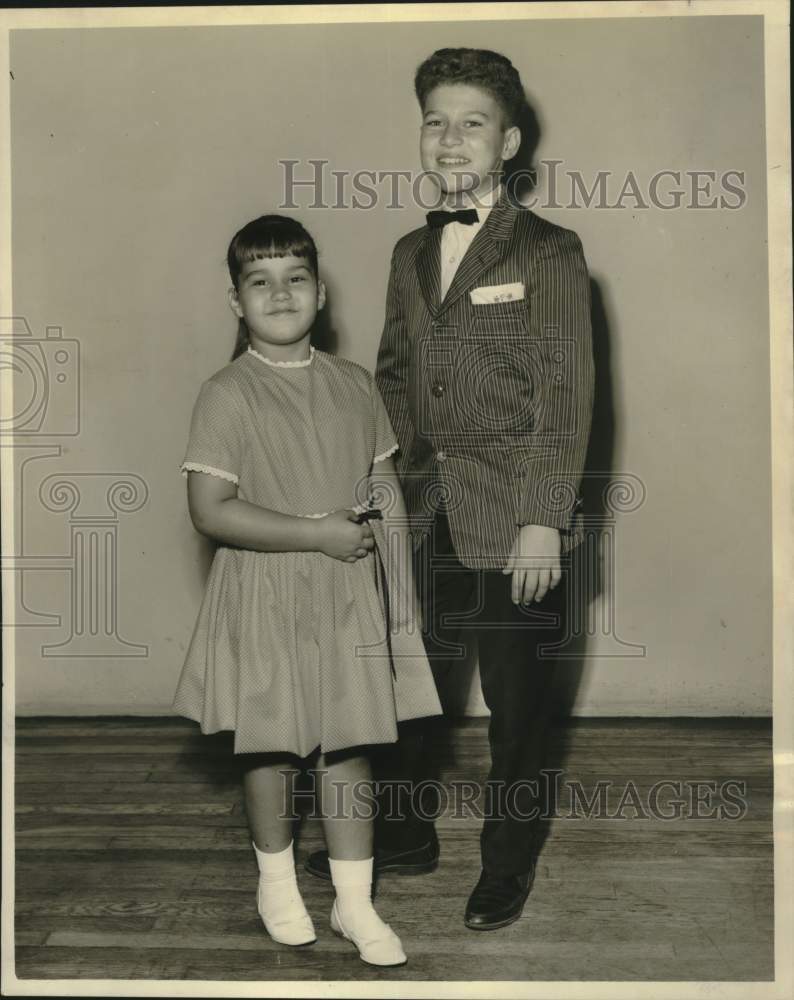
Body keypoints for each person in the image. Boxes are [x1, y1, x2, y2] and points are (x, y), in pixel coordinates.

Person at [306, 47, 595, 932]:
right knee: (409, 692)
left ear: (509, 141)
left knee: (517, 714)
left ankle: (505, 867)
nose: (450, 137)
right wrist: (367, 483)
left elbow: (567, 390)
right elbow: (394, 380)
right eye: (436, 119)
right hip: (422, 515)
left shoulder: (550, 250)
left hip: (515, 524)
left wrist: (544, 519)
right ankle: (403, 837)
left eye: (472, 121)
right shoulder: (407, 252)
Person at [173, 214, 441, 966]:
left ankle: (356, 904)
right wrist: (316, 532)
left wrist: (396, 590)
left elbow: (382, 486)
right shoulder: (227, 393)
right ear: (236, 301)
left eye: (295, 278)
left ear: (321, 291)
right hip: (264, 594)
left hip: (347, 593)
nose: (279, 293)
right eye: (259, 282)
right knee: (273, 749)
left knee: (350, 750)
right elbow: (210, 510)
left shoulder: (353, 385)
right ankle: (277, 883)